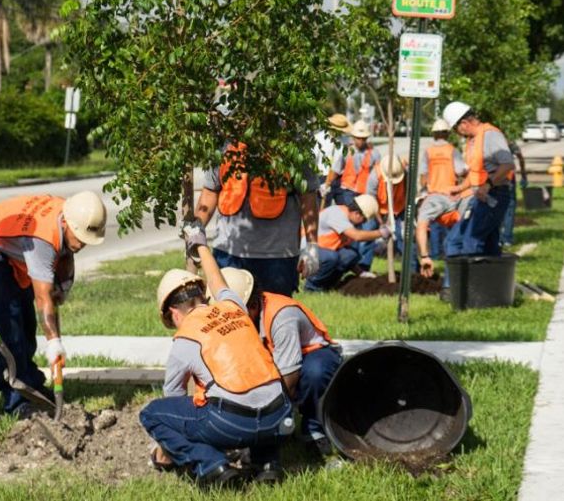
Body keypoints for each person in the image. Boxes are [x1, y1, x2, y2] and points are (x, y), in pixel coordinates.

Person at [140, 231, 292, 488]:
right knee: (257, 394)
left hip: (232, 423)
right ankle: (268, 464)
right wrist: (201, 245)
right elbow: (218, 279)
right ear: (203, 297)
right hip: (280, 416)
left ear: (174, 313)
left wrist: (167, 449)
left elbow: (175, 400)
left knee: (152, 414)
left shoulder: (184, 337)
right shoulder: (234, 306)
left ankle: (212, 466)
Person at [0, 192, 107, 417]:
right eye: (80, 238)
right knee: (9, 324)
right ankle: (15, 400)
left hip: (14, 244)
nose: (82, 245)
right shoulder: (44, 239)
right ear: (65, 223)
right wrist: (54, 342)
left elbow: (63, 257)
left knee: (27, 321)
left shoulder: (72, 212)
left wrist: (62, 285)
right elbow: (43, 298)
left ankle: (31, 383)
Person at [221, 268, 342, 459]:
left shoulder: (281, 316)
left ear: (252, 306)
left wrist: (262, 429)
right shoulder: (239, 320)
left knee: (315, 373)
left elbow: (288, 380)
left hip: (312, 356)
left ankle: (312, 428)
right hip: (274, 359)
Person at [194, 141, 320, 297]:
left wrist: (312, 245)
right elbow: (210, 191)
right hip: (228, 252)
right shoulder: (225, 146)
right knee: (230, 314)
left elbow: (308, 196)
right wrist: (194, 233)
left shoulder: (293, 145)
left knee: (273, 315)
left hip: (277, 256)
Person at [441, 101, 515, 257]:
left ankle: (470, 280)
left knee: (471, 242)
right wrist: (461, 188)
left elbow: (507, 164)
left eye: (456, 128)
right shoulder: (473, 140)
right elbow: (475, 172)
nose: (457, 133)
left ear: (464, 123)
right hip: (481, 197)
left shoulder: (490, 135)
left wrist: (487, 185)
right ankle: (488, 279)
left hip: (494, 195)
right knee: (481, 242)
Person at [304, 195, 390, 291]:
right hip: (308, 249)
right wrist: (381, 233)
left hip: (324, 250)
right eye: (364, 219)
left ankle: (328, 285)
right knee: (331, 257)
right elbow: (357, 236)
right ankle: (311, 287)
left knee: (350, 255)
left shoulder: (349, 221)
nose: (363, 223)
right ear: (357, 214)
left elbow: (346, 257)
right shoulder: (337, 214)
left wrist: (361, 273)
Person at [419, 118, 467, 261]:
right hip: (450, 195)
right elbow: (460, 171)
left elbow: (423, 175)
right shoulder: (452, 150)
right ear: (447, 134)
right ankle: (449, 255)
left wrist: (424, 190)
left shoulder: (428, 151)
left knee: (431, 224)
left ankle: (433, 254)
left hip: (433, 194)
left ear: (434, 134)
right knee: (451, 227)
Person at [361, 155, 407, 270]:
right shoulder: (374, 176)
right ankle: (362, 268)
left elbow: (408, 195)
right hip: (376, 209)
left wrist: (395, 218)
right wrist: (382, 223)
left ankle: (411, 270)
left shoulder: (405, 174)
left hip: (398, 208)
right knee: (368, 232)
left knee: (405, 236)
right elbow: (371, 201)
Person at [414, 193, 472, 281]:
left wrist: (424, 257)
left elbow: (421, 228)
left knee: (451, 244)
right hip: (475, 206)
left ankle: (449, 287)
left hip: (472, 208)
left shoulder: (427, 206)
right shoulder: (441, 205)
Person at [322, 120, 378, 207]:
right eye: (358, 138)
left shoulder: (374, 154)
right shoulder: (346, 151)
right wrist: (327, 185)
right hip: (347, 191)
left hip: (365, 192)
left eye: (363, 139)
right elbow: (336, 170)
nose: (360, 141)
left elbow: (378, 173)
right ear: (353, 137)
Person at [315, 114, 351, 208]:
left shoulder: (345, 141)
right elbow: (313, 161)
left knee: (343, 208)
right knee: (322, 210)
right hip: (323, 178)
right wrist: (320, 184)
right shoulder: (318, 139)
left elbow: (346, 161)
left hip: (339, 178)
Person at [500, 138, 528, 247]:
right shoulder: (509, 143)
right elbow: (520, 158)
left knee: (497, 209)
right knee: (509, 210)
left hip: (495, 179)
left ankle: (499, 238)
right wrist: (524, 176)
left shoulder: (489, 142)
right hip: (507, 178)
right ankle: (507, 239)